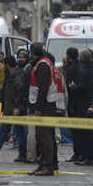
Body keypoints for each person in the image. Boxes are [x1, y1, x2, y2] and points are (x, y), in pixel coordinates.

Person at [27, 42, 57, 176]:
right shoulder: (41, 63)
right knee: (40, 135)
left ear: (33, 52)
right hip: (43, 105)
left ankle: (47, 166)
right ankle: (42, 164)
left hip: (45, 106)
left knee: (44, 136)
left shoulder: (43, 64)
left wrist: (39, 108)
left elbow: (43, 87)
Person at [72, 49, 93, 165]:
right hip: (91, 103)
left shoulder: (82, 71)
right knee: (90, 131)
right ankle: (89, 154)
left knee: (84, 132)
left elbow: (81, 88)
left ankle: (86, 155)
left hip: (83, 104)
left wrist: (73, 86)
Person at [62, 47, 80, 160]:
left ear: (68, 56)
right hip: (77, 102)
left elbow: (70, 88)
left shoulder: (71, 69)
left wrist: (72, 105)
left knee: (75, 130)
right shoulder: (79, 66)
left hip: (73, 102)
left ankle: (77, 153)